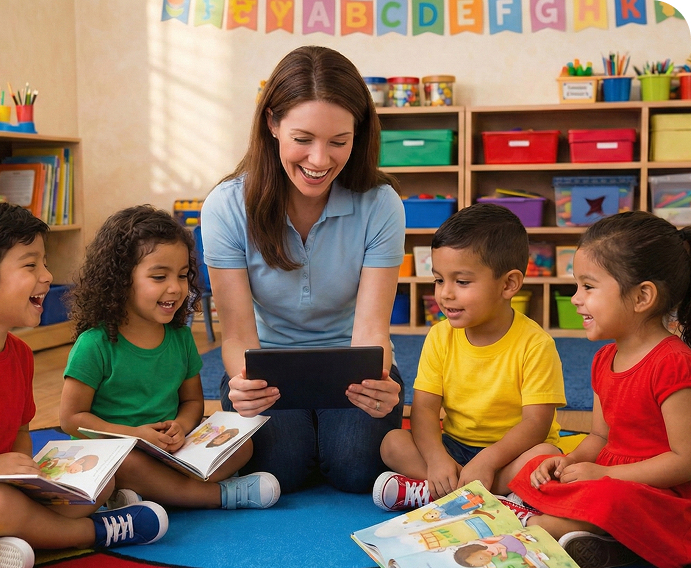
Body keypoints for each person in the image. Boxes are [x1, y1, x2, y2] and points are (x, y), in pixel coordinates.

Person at [0, 199, 168, 568]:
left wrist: (28, 479)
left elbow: (20, 431)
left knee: (100, 477)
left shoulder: (19, 354)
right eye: (30, 265)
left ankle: (4, 542)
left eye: (45, 263)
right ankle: (95, 533)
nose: (48, 276)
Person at [200, 45, 406, 495]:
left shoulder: (381, 204)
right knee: (281, 468)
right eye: (303, 139)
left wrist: (378, 382)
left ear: (358, 134)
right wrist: (245, 385)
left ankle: (330, 437)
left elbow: (372, 328)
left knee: (356, 468)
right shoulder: (226, 206)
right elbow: (237, 335)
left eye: (339, 142)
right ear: (272, 124)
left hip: (352, 366)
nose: (319, 160)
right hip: (267, 368)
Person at [60, 205, 280, 510]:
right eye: (159, 276)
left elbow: (192, 402)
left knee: (243, 447)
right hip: (119, 449)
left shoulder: (180, 338)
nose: (176, 288)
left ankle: (147, 494)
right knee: (128, 465)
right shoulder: (94, 344)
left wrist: (181, 426)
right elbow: (71, 419)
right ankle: (219, 496)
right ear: (121, 279)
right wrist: (135, 435)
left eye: (182, 275)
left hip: (168, 449)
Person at [509, 211, 691, 568]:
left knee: (608, 498)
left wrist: (605, 475)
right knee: (535, 466)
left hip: (658, 492)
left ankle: (552, 524)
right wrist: (571, 461)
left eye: (588, 287)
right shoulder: (604, 358)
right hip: (608, 477)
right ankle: (604, 540)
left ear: (642, 296)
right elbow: (599, 437)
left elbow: (684, 460)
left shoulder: (674, 362)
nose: (575, 299)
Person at [374, 203, 566, 511]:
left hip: (511, 453)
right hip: (455, 447)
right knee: (392, 443)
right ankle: (478, 492)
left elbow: (536, 424)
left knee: (544, 456)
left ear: (509, 284)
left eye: (462, 282)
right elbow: (424, 411)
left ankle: (438, 490)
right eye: (439, 280)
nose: (445, 294)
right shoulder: (439, 336)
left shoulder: (536, 344)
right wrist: (437, 459)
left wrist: (489, 460)